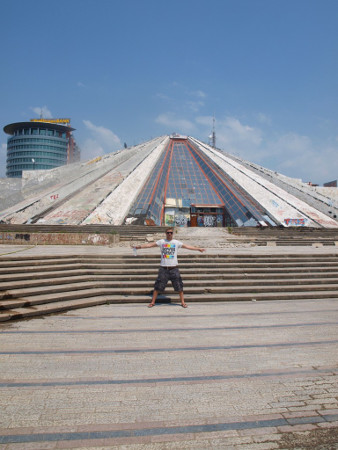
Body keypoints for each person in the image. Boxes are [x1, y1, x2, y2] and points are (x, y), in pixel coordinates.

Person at [133, 227, 205, 308]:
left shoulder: (176, 242)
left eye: (171, 233)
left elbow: (187, 246)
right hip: (164, 268)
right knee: (157, 286)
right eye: (168, 233)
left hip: (174, 268)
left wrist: (198, 249)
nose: (169, 234)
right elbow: (150, 245)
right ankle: (152, 302)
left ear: (172, 234)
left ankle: (183, 302)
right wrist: (139, 247)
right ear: (165, 233)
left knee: (179, 286)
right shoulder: (161, 242)